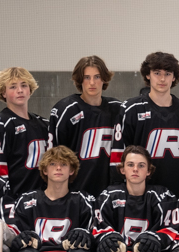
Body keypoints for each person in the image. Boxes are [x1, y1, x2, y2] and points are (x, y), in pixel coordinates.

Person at [112, 52, 179, 198]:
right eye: (157, 73)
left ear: (174, 77)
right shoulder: (130, 110)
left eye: (167, 73)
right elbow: (118, 157)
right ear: (148, 75)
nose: (162, 78)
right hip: (141, 197)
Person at [50, 55, 124, 197]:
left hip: (110, 193)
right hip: (76, 192)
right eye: (86, 77)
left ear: (104, 78)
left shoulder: (117, 109)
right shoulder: (66, 110)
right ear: (79, 80)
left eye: (97, 77)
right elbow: (54, 155)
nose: (92, 83)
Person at [0, 67, 51, 207]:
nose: (20, 90)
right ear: (3, 92)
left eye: (24, 85)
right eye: (13, 86)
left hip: (42, 200)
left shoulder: (44, 124)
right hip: (14, 202)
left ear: (30, 90)